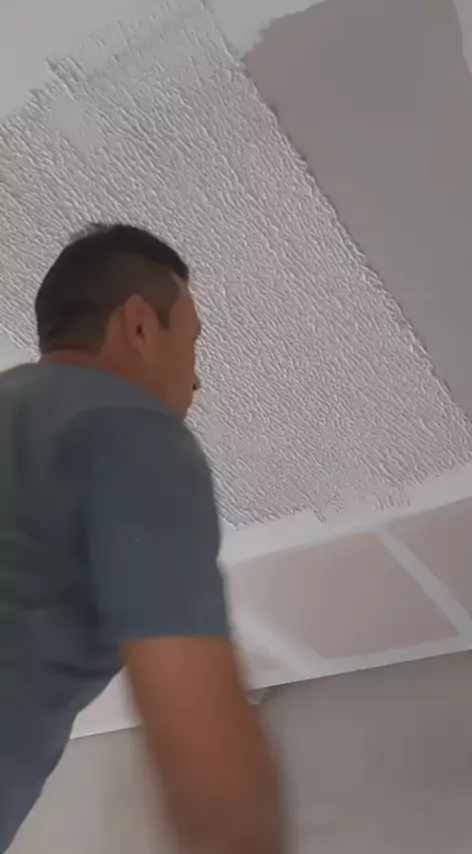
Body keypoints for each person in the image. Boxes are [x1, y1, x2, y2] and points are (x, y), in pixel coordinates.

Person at [0, 224, 282, 853]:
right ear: (137, 324)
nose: (196, 380)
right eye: (191, 340)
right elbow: (209, 769)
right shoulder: (129, 431)